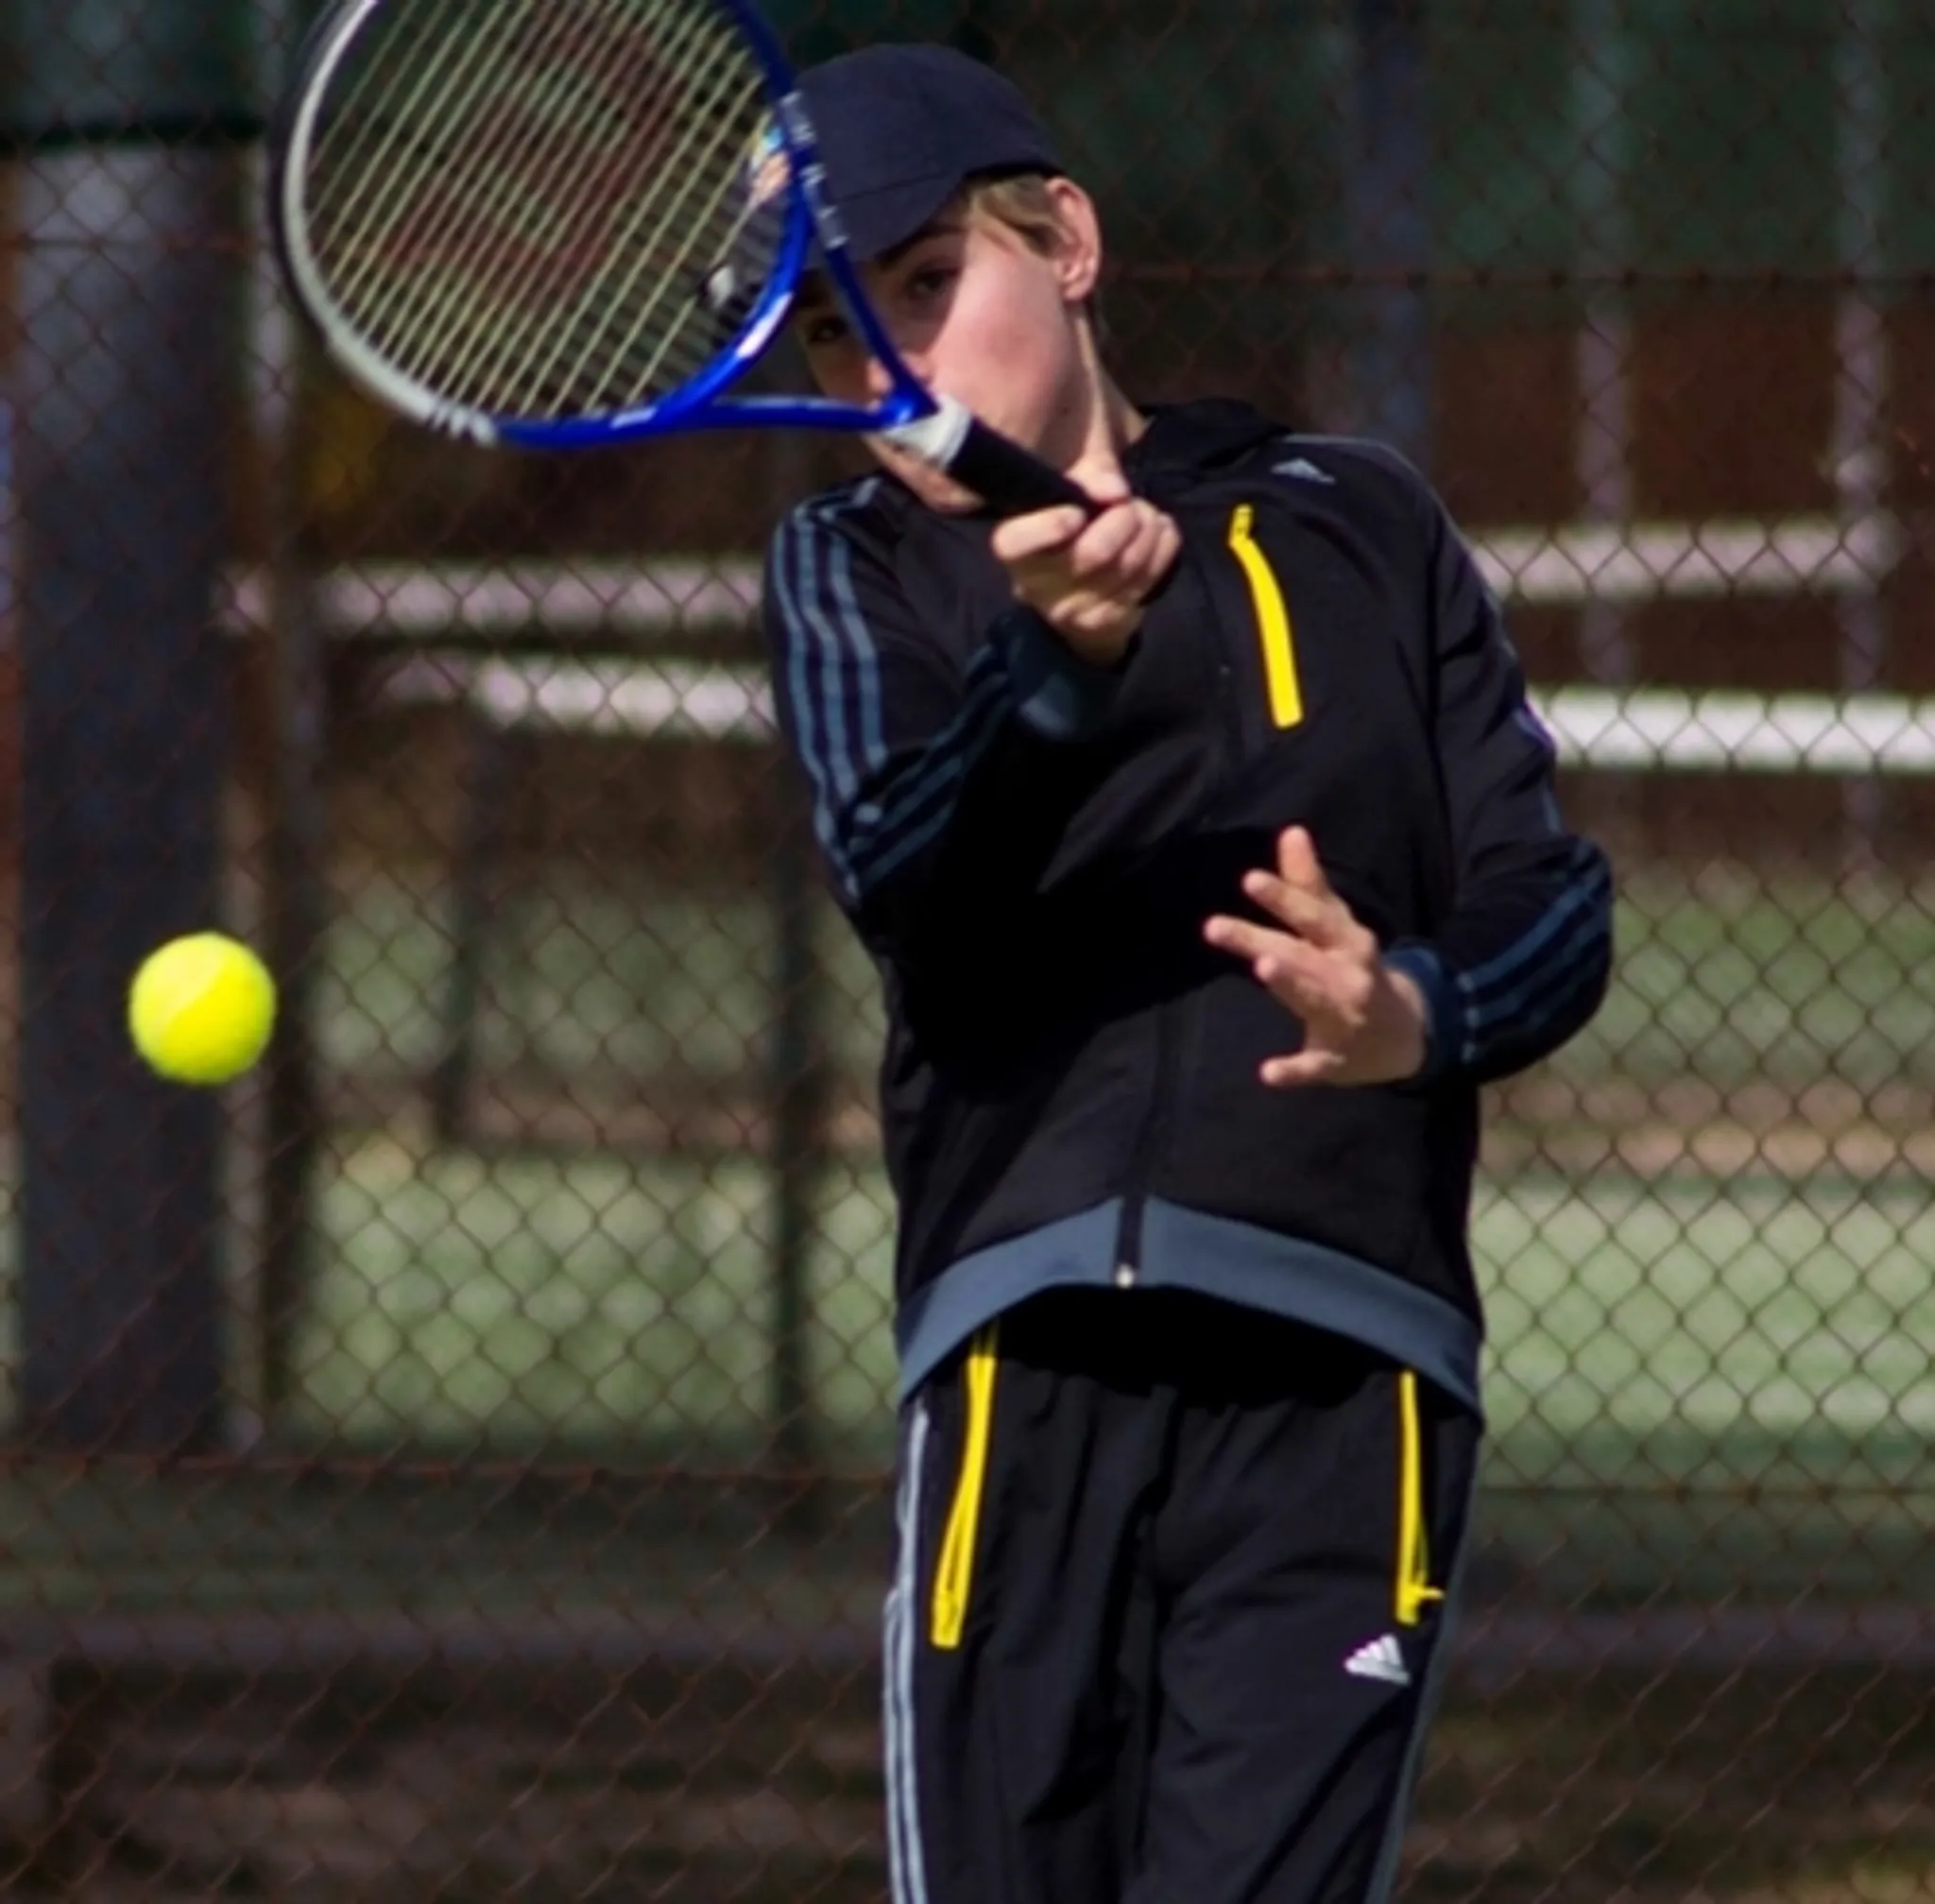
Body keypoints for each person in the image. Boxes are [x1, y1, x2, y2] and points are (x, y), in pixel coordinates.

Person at [761, 41, 1613, 1904]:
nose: (885, 362)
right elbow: (899, 874)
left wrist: (1412, 1013)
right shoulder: (851, 564)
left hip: (1346, 1384)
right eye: (832, 330)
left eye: (926, 282)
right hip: (1025, 1354)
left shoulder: (1361, 517)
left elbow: (1551, 900)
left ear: (1065, 241)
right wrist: (1049, 670)